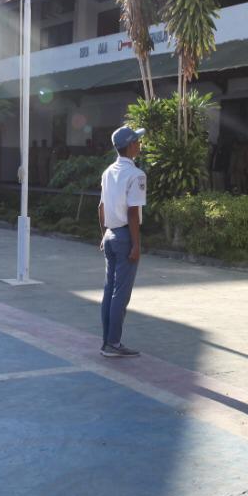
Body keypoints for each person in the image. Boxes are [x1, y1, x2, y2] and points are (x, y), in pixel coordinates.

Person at [98, 126, 147, 358]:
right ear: (130, 146)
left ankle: (107, 341)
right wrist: (136, 245)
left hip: (110, 234)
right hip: (126, 236)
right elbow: (133, 213)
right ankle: (113, 344)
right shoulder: (136, 175)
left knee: (109, 291)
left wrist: (103, 234)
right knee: (121, 294)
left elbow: (101, 207)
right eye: (137, 141)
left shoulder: (108, 172)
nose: (140, 144)